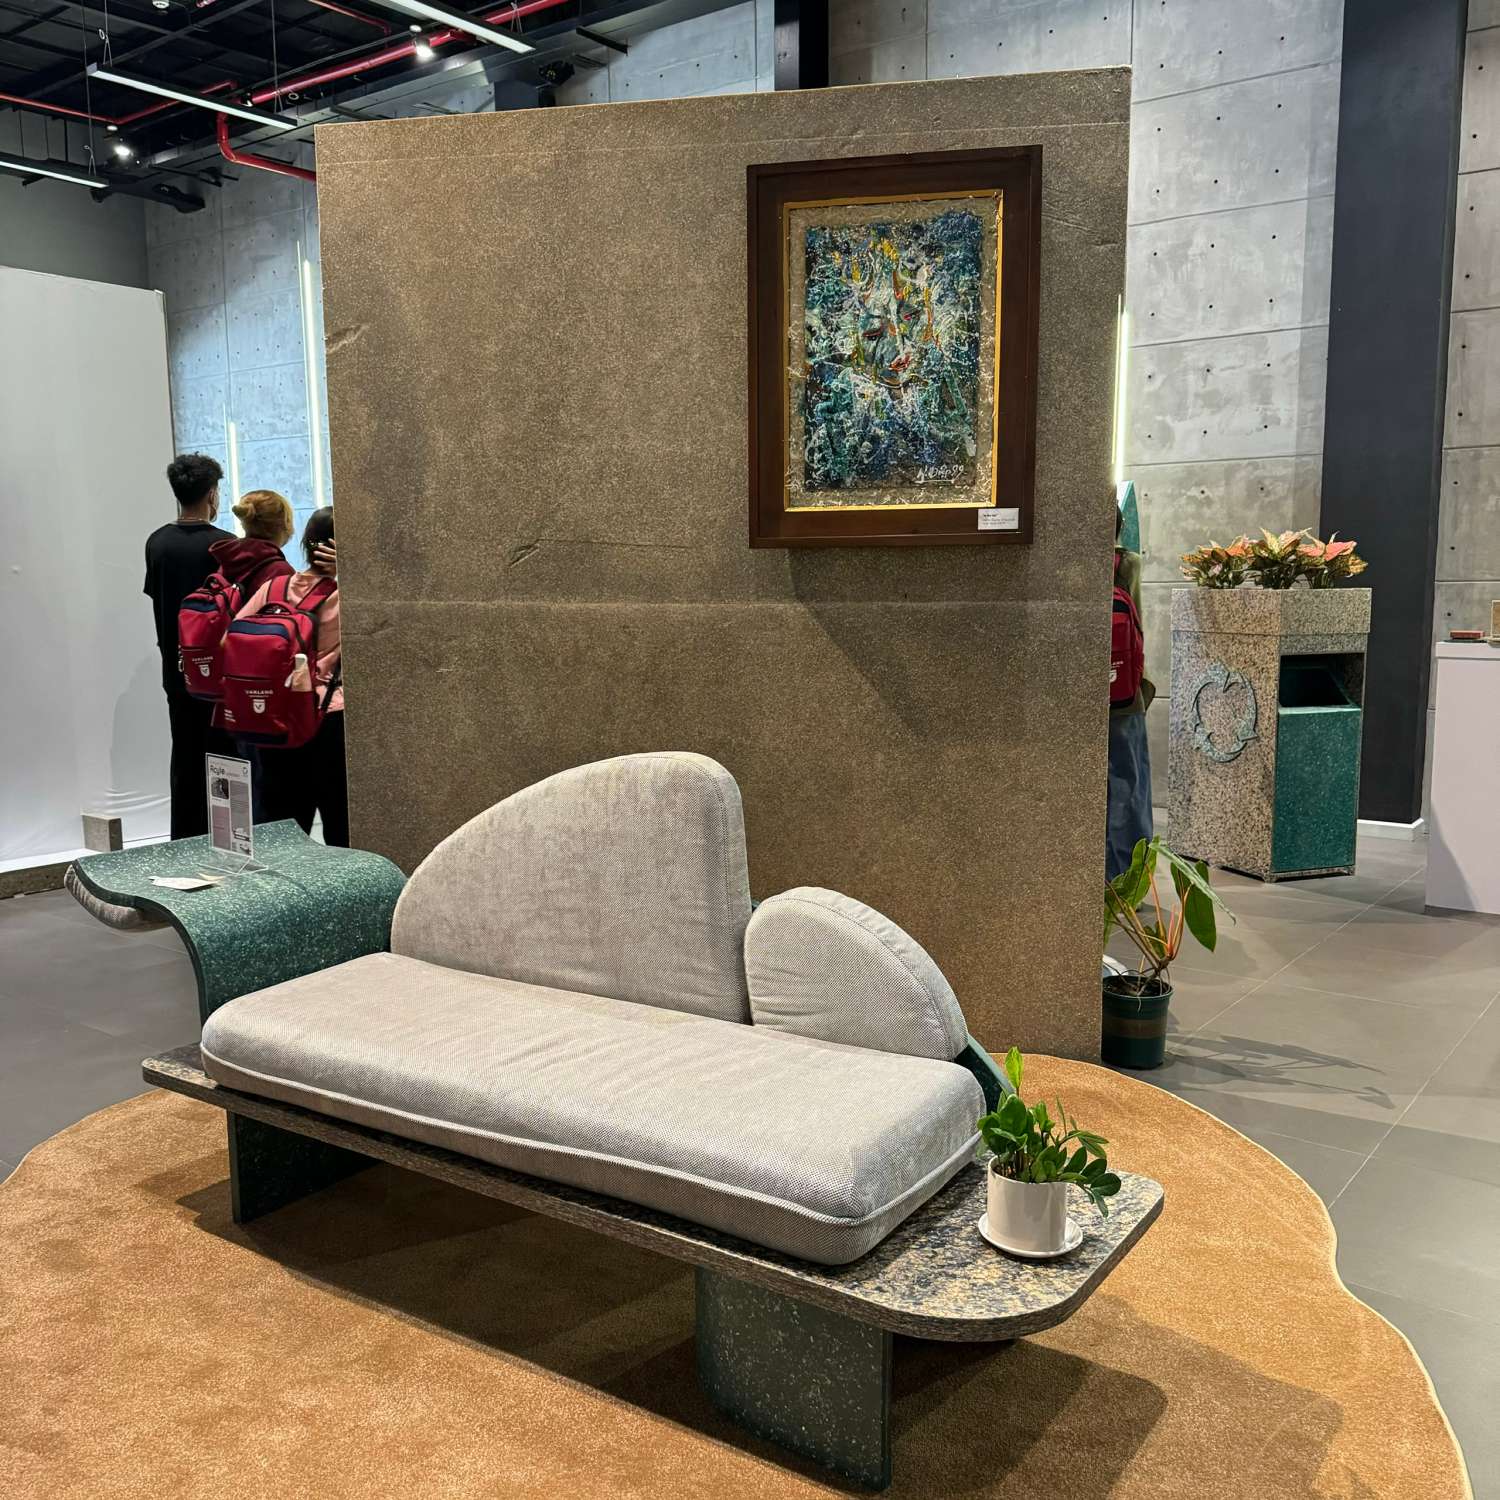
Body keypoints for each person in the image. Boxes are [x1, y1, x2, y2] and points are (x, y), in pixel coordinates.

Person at [235, 508, 348, 846]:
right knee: (339, 822)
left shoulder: (274, 587)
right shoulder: (348, 598)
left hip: (277, 717)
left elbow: (231, 639)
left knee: (282, 827)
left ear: (305, 544)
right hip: (329, 718)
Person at [144, 454, 235, 839]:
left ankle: (182, 843)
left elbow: (158, 601)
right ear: (212, 494)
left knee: (184, 761)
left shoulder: (157, 543)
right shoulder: (225, 546)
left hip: (176, 671)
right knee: (226, 763)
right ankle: (227, 843)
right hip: (220, 678)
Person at [209, 490, 297, 822]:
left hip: (231, 687)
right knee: (270, 789)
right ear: (285, 523)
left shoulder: (227, 562)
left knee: (244, 786)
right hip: (266, 693)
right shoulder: (279, 571)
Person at [1107, 503, 1155, 881]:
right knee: (1129, 783)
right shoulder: (1127, 563)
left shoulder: (1065, 565)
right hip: (1123, 690)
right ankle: (1127, 881)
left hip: (1072, 692)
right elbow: (1135, 625)